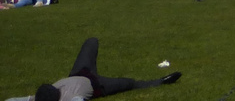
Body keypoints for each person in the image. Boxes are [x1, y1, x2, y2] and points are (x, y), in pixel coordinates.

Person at [19, 37, 181, 100]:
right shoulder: (72, 99)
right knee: (128, 83)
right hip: (98, 84)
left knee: (91, 42)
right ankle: (161, 81)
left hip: (79, 71)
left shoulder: (40, 97)